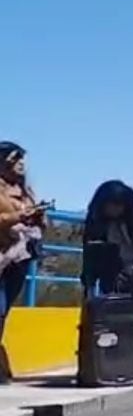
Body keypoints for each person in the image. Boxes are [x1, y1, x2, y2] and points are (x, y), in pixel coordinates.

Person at [0, 142, 48, 383]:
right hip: (2, 252)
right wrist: (21, 216)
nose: (20, 164)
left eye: (22, 159)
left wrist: (39, 216)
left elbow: (39, 223)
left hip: (19, 256)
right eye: (15, 158)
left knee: (4, 309)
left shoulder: (26, 189)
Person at [80, 180, 133, 298]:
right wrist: (88, 282)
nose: (113, 209)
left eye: (117, 205)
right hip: (118, 268)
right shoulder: (98, 215)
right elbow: (90, 248)